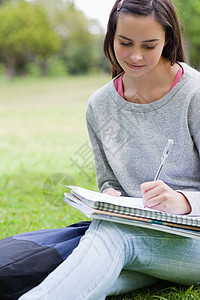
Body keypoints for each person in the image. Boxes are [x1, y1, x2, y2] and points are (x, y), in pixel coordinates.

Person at [19, 0, 200, 299]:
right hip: (138, 233)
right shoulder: (100, 106)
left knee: (110, 237)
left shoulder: (194, 94)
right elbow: (109, 181)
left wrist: (183, 201)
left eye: (149, 45)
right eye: (125, 42)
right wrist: (109, 196)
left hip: (191, 240)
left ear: (168, 40)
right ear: (110, 37)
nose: (136, 56)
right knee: (97, 264)